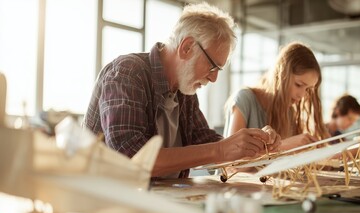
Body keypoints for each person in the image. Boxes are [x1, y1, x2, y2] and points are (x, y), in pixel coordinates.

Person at [83, 2, 280, 178]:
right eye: (212, 67)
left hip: (157, 199)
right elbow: (133, 159)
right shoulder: (128, 73)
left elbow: (205, 141)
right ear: (186, 47)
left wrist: (247, 146)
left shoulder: (185, 91)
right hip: (105, 204)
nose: (213, 78)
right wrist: (220, 150)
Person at [224, 42, 329, 152]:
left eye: (308, 89)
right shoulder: (244, 99)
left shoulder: (288, 112)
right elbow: (231, 162)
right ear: (282, 75)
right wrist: (284, 145)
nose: (302, 95)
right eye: (298, 85)